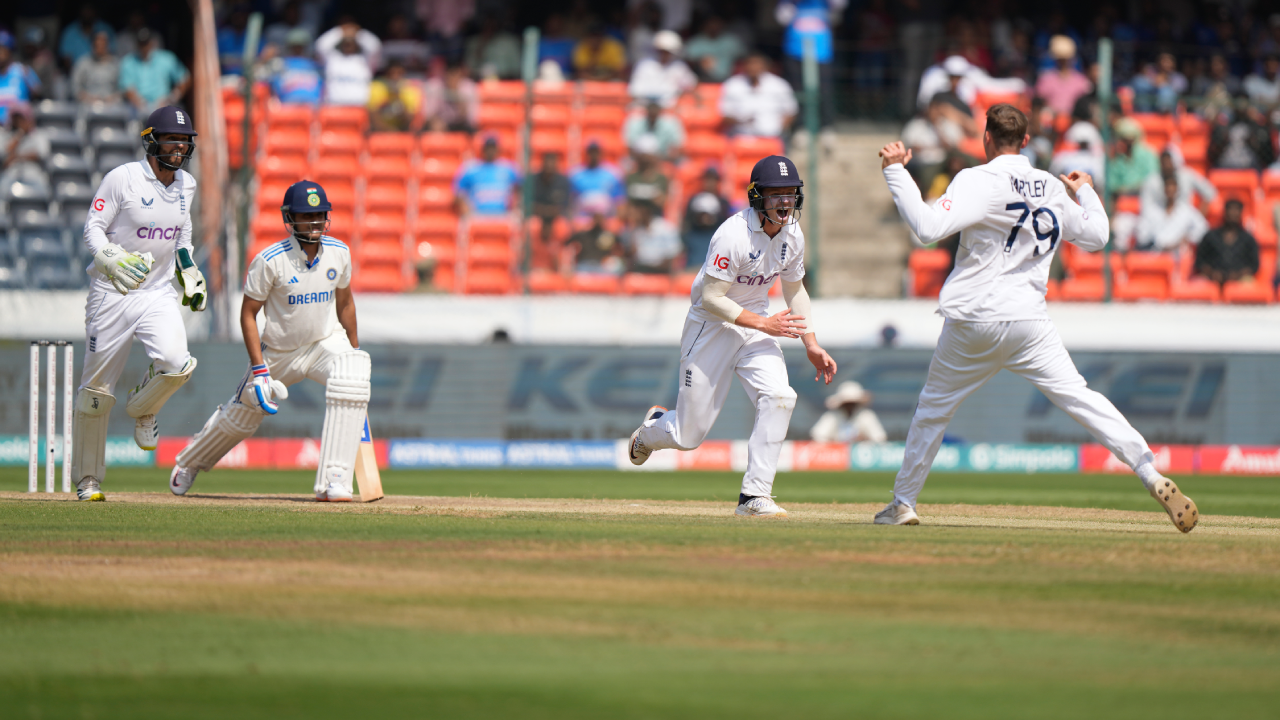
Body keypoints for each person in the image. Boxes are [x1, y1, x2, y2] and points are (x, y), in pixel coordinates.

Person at [876, 104, 1197, 533]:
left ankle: (903, 503)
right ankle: (1149, 472)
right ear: (1025, 141)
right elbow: (1099, 237)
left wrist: (896, 171)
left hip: (975, 318)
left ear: (986, 137)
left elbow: (927, 226)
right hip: (1029, 321)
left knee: (932, 411)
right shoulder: (1050, 185)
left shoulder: (977, 178)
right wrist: (1085, 190)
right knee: (1081, 398)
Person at [629, 155, 836, 518]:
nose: (785, 203)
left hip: (755, 325)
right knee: (688, 437)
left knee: (780, 396)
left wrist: (811, 342)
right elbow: (711, 299)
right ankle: (651, 430)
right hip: (712, 326)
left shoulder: (793, 235)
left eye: (791, 194)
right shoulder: (732, 234)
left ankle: (754, 496)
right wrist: (763, 323)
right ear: (757, 197)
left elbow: (795, 290)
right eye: (776, 195)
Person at [171, 180, 368, 502]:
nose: (315, 222)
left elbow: (345, 303)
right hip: (279, 353)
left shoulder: (339, 252)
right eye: (307, 216)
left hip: (323, 344)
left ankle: (335, 480)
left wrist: (354, 349)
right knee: (241, 419)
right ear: (290, 220)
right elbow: (248, 314)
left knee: (353, 373)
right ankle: (190, 461)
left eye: (320, 214)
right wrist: (260, 370)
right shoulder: (270, 260)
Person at [73, 106, 207, 502]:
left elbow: (181, 235)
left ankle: (142, 409)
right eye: (171, 140)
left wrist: (190, 271)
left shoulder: (188, 185)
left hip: (157, 292)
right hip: (112, 293)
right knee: (96, 391)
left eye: (184, 141)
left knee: (177, 362)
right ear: (152, 141)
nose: (179, 147)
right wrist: (109, 258)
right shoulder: (124, 178)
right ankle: (88, 480)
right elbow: (92, 229)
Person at [776, 0, 843, 144]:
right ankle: (801, 128)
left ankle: (826, 127)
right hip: (794, 50)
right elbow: (781, 18)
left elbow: (839, 8)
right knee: (798, 91)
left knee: (825, 90)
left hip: (822, 51)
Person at [718, 53, 798, 138]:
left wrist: (779, 130)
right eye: (750, 63)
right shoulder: (732, 84)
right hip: (741, 137)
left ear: (765, 66)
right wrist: (742, 121)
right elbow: (724, 114)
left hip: (773, 136)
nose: (753, 67)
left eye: (757, 64)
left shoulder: (779, 85)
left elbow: (791, 111)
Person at [120, 29, 191, 114]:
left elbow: (185, 78)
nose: (144, 47)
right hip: (138, 110)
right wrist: (139, 103)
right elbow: (127, 87)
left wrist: (172, 98)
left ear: (151, 43)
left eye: (146, 43)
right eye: (141, 44)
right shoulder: (129, 62)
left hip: (164, 107)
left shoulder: (166, 59)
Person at [1135, 175, 1209, 252]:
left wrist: (1188, 238)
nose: (1170, 189)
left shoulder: (1187, 211)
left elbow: (1203, 228)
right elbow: (1142, 235)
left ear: (1177, 189)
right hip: (1156, 253)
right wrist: (1156, 243)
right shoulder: (1153, 211)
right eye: (1167, 186)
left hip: (1179, 253)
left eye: (1172, 186)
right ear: (1163, 189)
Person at [315, 20, 381, 106]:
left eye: (351, 43)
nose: (348, 45)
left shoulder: (364, 60)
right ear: (341, 43)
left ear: (356, 44)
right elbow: (320, 46)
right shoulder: (333, 59)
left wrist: (358, 32)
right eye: (346, 43)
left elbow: (375, 46)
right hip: (334, 106)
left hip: (360, 106)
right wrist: (339, 31)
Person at [1195, 199, 1259, 286]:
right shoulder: (1210, 236)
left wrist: (1237, 275)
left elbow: (1254, 265)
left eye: (1236, 210)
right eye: (1230, 209)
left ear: (1241, 213)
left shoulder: (1248, 239)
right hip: (1211, 278)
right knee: (1199, 284)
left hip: (1240, 279)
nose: (1233, 213)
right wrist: (1212, 273)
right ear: (1225, 212)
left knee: (1248, 285)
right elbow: (1200, 262)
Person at [453, 136, 520, 216]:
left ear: (498, 149)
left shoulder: (509, 168)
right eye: (488, 148)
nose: (490, 151)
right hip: (476, 216)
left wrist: (515, 206)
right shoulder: (471, 168)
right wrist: (467, 211)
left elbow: (521, 188)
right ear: (483, 149)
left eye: (493, 148)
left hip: (504, 215)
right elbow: (458, 192)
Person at [627, 30, 696, 106]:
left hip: (669, 109)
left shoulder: (679, 67)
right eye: (662, 50)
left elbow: (691, 85)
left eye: (668, 51)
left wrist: (679, 94)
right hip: (643, 107)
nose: (664, 54)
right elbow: (635, 90)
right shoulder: (644, 65)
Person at [1209, 94, 1276, 170]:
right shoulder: (1224, 128)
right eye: (1238, 103)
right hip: (1225, 166)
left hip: (1250, 167)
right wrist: (1223, 142)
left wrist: (1253, 142)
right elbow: (1211, 155)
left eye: (1244, 103)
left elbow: (1268, 156)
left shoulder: (1257, 128)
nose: (1241, 106)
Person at [682, 167, 731, 268]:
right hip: (695, 237)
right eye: (707, 179)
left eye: (713, 179)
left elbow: (726, 225)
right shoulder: (694, 199)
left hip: (714, 236)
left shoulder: (723, 202)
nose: (709, 183)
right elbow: (687, 222)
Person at [809, 381, 887, 443]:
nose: (850, 406)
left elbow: (879, 439)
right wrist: (834, 444)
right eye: (847, 403)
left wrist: (864, 441)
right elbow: (818, 436)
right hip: (836, 459)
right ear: (841, 404)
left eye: (853, 403)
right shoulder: (832, 416)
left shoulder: (866, 416)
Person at [1139, 148, 1216, 211]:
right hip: (1160, 219)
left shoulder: (1187, 175)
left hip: (1185, 218)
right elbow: (1146, 206)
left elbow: (1209, 192)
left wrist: (1200, 215)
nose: (1167, 165)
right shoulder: (1152, 180)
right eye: (1164, 162)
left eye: (1169, 161)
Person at [1035, 35, 1092, 116]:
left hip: (1074, 120)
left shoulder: (1081, 81)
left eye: (1065, 59)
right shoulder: (1046, 79)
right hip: (1050, 121)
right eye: (1061, 59)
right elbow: (1039, 102)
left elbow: (1085, 105)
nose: (1063, 62)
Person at [566, 196, 624, 274]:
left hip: (602, 266)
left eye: (600, 218)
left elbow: (622, 248)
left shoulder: (609, 236)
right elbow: (567, 243)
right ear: (593, 219)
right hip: (584, 265)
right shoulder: (583, 235)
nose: (598, 221)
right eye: (596, 218)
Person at [0, 104, 51, 192]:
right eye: (16, 119)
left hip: (33, 173)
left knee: (42, 187)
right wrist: (20, 134)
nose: (19, 122)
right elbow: (4, 154)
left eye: (21, 118)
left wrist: (17, 157)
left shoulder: (38, 135)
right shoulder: (6, 135)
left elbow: (41, 154)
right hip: (11, 173)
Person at [569, 141, 625, 216]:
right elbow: (571, 200)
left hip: (606, 217)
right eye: (591, 152)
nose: (594, 155)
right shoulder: (575, 174)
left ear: (601, 153)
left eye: (596, 152)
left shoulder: (613, 173)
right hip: (582, 218)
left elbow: (619, 200)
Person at [269, 29, 322, 106]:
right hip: (288, 106)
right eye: (294, 46)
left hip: (312, 107)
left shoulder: (314, 65)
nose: (297, 49)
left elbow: (322, 89)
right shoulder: (280, 64)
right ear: (289, 47)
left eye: (300, 46)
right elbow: (275, 89)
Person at [684, 16, 745, 83]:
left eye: (716, 24)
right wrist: (699, 62)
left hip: (728, 80)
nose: (714, 27)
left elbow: (743, 59)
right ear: (704, 25)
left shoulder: (732, 41)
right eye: (711, 24)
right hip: (701, 80)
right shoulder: (695, 42)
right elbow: (686, 62)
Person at [625, 201, 682, 273]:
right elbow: (633, 257)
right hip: (640, 273)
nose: (632, 215)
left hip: (661, 274)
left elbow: (673, 255)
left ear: (644, 211)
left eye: (635, 212)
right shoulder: (636, 231)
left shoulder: (665, 227)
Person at [422, 62, 478, 133]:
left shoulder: (469, 88)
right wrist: (435, 121)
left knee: (473, 132)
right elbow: (428, 113)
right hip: (440, 123)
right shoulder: (434, 86)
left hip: (460, 124)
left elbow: (472, 119)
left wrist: (458, 98)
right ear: (444, 74)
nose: (452, 79)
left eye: (456, 75)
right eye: (450, 74)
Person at [368, 61, 423, 132]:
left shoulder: (410, 90)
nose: (395, 77)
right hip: (381, 132)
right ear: (386, 75)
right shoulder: (376, 88)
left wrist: (398, 98)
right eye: (391, 74)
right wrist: (389, 131)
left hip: (402, 131)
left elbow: (409, 121)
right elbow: (373, 118)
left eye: (399, 73)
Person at [0, 33, 42, 125]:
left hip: (18, 127)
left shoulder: (22, 71)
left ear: (10, 50)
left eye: (2, 49)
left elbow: (38, 93)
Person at [532, 151, 571, 246]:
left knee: (563, 227)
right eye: (547, 162)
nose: (549, 165)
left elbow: (563, 207)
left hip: (556, 219)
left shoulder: (563, 181)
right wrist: (546, 210)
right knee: (531, 226)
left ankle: (558, 253)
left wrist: (545, 210)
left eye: (552, 162)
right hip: (537, 218)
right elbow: (530, 206)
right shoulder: (533, 180)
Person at [72, 30, 120, 103]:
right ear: (92, 45)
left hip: (111, 107)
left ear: (107, 45)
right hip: (87, 106)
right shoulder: (83, 63)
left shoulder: (116, 64)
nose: (100, 48)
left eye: (102, 45)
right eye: (97, 45)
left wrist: (113, 98)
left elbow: (122, 89)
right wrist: (86, 98)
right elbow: (75, 87)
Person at [624, 135, 669, 212]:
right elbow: (626, 203)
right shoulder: (630, 178)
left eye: (648, 155)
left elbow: (662, 202)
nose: (646, 159)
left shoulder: (662, 179)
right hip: (634, 218)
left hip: (655, 219)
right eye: (643, 155)